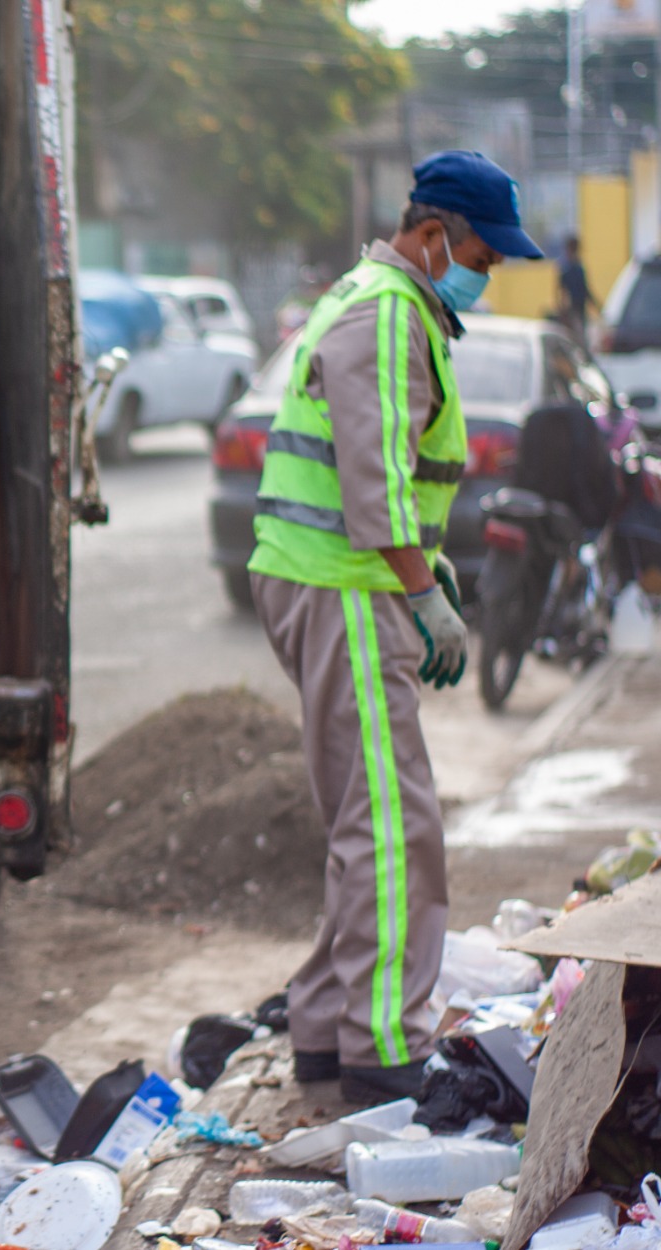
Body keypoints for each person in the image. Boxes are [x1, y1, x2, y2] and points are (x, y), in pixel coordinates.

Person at [248, 151, 543, 1106]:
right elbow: (373, 486)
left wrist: (431, 570)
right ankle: (381, 1050)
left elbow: (377, 478)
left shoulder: (379, 300)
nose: (484, 273)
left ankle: (328, 1031)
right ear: (430, 238)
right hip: (345, 588)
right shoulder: (387, 314)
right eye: (480, 255)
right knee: (389, 830)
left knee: (371, 821)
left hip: (336, 583)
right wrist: (421, 591)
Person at [557, 234, 598, 347]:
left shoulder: (579, 267)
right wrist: (562, 311)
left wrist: (595, 305)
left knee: (582, 337)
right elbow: (561, 291)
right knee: (575, 339)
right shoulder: (566, 268)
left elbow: (585, 288)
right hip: (571, 311)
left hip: (580, 308)